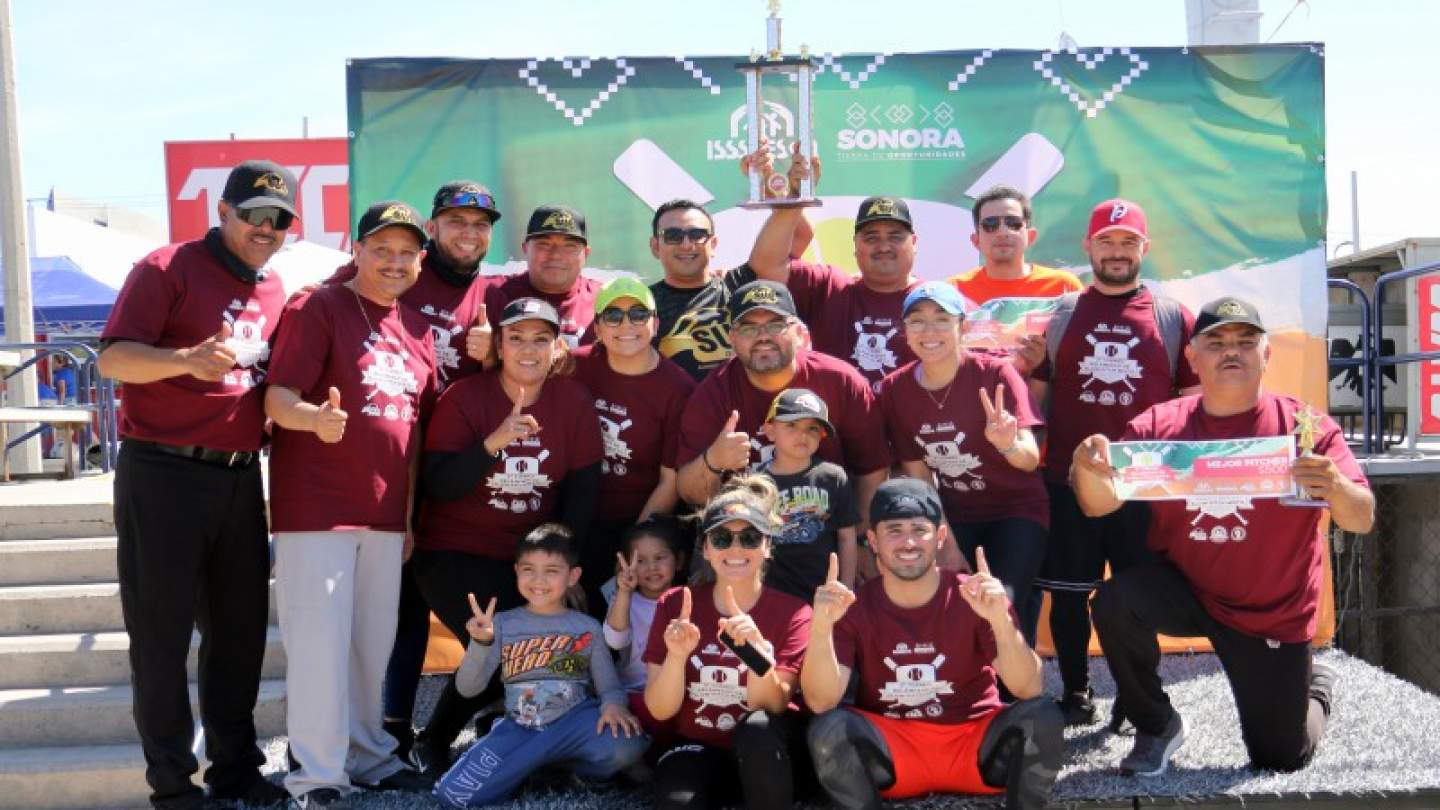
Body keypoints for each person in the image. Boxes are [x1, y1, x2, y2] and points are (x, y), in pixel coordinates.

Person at [1073, 297, 1374, 776]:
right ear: (1193, 358)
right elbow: (1098, 503)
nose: (1231, 352)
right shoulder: (1160, 426)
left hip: (1269, 611)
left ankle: (1314, 687)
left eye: (1245, 341)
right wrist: (1084, 465)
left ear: (1266, 354)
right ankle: (1156, 724)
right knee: (1113, 601)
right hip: (1189, 591)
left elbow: (1361, 518)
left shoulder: (1304, 428)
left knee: (1280, 757)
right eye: (1215, 343)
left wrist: (1335, 487)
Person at [96, 160, 297, 809]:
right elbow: (112, 357)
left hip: (240, 478)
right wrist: (183, 359)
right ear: (224, 211)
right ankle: (173, 786)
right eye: (254, 215)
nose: (265, 229)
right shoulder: (166, 267)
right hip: (163, 473)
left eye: (279, 220)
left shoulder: (275, 289)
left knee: (238, 635)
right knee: (161, 637)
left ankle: (235, 768)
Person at [264, 200, 440, 807]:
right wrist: (314, 420)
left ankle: (368, 756)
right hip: (316, 510)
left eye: (406, 252)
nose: (394, 262)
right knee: (319, 649)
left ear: (421, 261)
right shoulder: (319, 306)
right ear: (356, 250)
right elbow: (277, 397)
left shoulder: (417, 330)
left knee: (372, 647)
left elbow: (414, 433)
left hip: (386, 515)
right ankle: (317, 776)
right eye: (381, 249)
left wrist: (410, 514)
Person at [325, 180, 503, 760]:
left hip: (463, 468)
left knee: (454, 608)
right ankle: (390, 731)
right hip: (397, 461)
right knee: (398, 611)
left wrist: (495, 350)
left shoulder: (496, 291)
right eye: (456, 221)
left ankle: (485, 716)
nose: (468, 233)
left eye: (480, 224)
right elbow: (332, 305)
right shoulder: (400, 275)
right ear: (432, 230)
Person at [407, 297, 603, 774]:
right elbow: (440, 484)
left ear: (558, 347)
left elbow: (582, 493)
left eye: (541, 338)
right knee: (502, 644)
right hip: (456, 552)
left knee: (569, 631)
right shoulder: (465, 397)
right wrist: (495, 443)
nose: (528, 349)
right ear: (498, 344)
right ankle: (431, 743)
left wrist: (567, 573)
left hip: (529, 559)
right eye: (516, 337)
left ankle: (544, 743)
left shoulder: (572, 402)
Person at [1029, 199, 1201, 726]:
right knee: (1068, 594)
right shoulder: (1059, 316)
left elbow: (1193, 404)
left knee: (1135, 597)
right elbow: (1037, 395)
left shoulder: (1173, 318)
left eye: (1128, 242)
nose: (1117, 251)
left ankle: (1134, 693)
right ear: (1088, 247)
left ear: (1144, 248)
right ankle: (1077, 692)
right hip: (1066, 477)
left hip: (1141, 486)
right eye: (1107, 241)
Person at [802, 477, 1063, 810]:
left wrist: (999, 619)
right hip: (895, 752)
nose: (908, 542)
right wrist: (822, 626)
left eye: (919, 530)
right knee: (828, 729)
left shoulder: (976, 595)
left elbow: (1029, 688)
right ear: (873, 540)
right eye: (894, 530)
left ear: (940, 536)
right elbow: (821, 702)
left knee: (1044, 715)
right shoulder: (852, 606)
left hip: (975, 745)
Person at [877, 283, 1048, 643]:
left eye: (942, 319)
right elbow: (919, 475)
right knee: (953, 607)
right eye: (918, 321)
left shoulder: (995, 374)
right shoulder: (895, 390)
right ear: (905, 331)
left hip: (1016, 510)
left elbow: (1030, 460)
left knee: (1003, 602)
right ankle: (970, 693)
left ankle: (1017, 696)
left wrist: (1007, 445)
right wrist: (947, 542)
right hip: (956, 515)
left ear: (963, 328)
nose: (930, 331)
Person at [432, 524, 647, 807]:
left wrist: (613, 704)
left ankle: (555, 766)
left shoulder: (588, 627)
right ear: (516, 571)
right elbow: (469, 688)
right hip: (520, 727)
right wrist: (481, 643)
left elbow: (608, 685)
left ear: (573, 576)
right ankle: (536, 765)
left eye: (552, 571)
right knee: (453, 795)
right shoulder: (502, 624)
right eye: (529, 569)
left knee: (625, 748)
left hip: (575, 723)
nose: (538, 580)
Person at [643, 476, 815, 809]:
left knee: (758, 730)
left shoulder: (794, 612)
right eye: (722, 538)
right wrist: (677, 658)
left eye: (749, 537)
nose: (735, 549)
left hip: (766, 753)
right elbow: (661, 709)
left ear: (767, 547)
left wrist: (756, 658)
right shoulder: (675, 604)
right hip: (698, 745)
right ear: (706, 549)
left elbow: (773, 708)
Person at [674, 280, 889, 519]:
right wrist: (714, 460)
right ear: (732, 338)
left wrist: (860, 539)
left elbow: (872, 471)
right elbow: (689, 493)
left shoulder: (841, 381)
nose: (763, 337)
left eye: (775, 326)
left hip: (824, 537)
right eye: (749, 328)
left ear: (798, 332)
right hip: (746, 542)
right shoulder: (712, 395)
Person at [572, 277, 696, 613]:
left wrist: (633, 552)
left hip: (641, 519)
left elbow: (670, 482)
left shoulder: (678, 388)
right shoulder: (573, 366)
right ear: (596, 327)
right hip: (578, 516)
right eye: (612, 315)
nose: (626, 324)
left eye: (639, 314)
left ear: (655, 324)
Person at [748, 153, 922, 390]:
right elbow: (766, 265)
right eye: (872, 237)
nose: (883, 246)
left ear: (914, 243)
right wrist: (795, 197)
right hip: (834, 425)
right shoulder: (831, 288)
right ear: (855, 245)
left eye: (895, 237)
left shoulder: (936, 302)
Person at [648, 152, 814, 381]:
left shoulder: (743, 286)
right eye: (673, 235)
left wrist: (771, 184)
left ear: (713, 244)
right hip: (685, 414)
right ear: (656, 246)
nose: (686, 245)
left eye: (697, 234)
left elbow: (797, 236)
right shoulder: (642, 306)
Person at [945, 185, 1083, 372]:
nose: (1003, 232)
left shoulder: (1066, 287)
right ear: (976, 239)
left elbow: (1080, 353)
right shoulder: (953, 290)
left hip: (1045, 398)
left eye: (1013, 223)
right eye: (990, 225)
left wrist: (1044, 362)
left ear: (1031, 236)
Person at [756, 388, 861, 600]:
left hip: (823, 592)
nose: (802, 435)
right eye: (791, 425)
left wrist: (847, 587)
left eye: (812, 428)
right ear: (770, 430)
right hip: (771, 594)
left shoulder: (833, 477)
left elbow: (846, 537)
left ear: (822, 435)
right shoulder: (755, 482)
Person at [483, 205, 602, 346]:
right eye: (544, 244)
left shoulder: (605, 300)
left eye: (569, 246)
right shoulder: (492, 293)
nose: (556, 255)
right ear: (525, 249)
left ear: (586, 254)